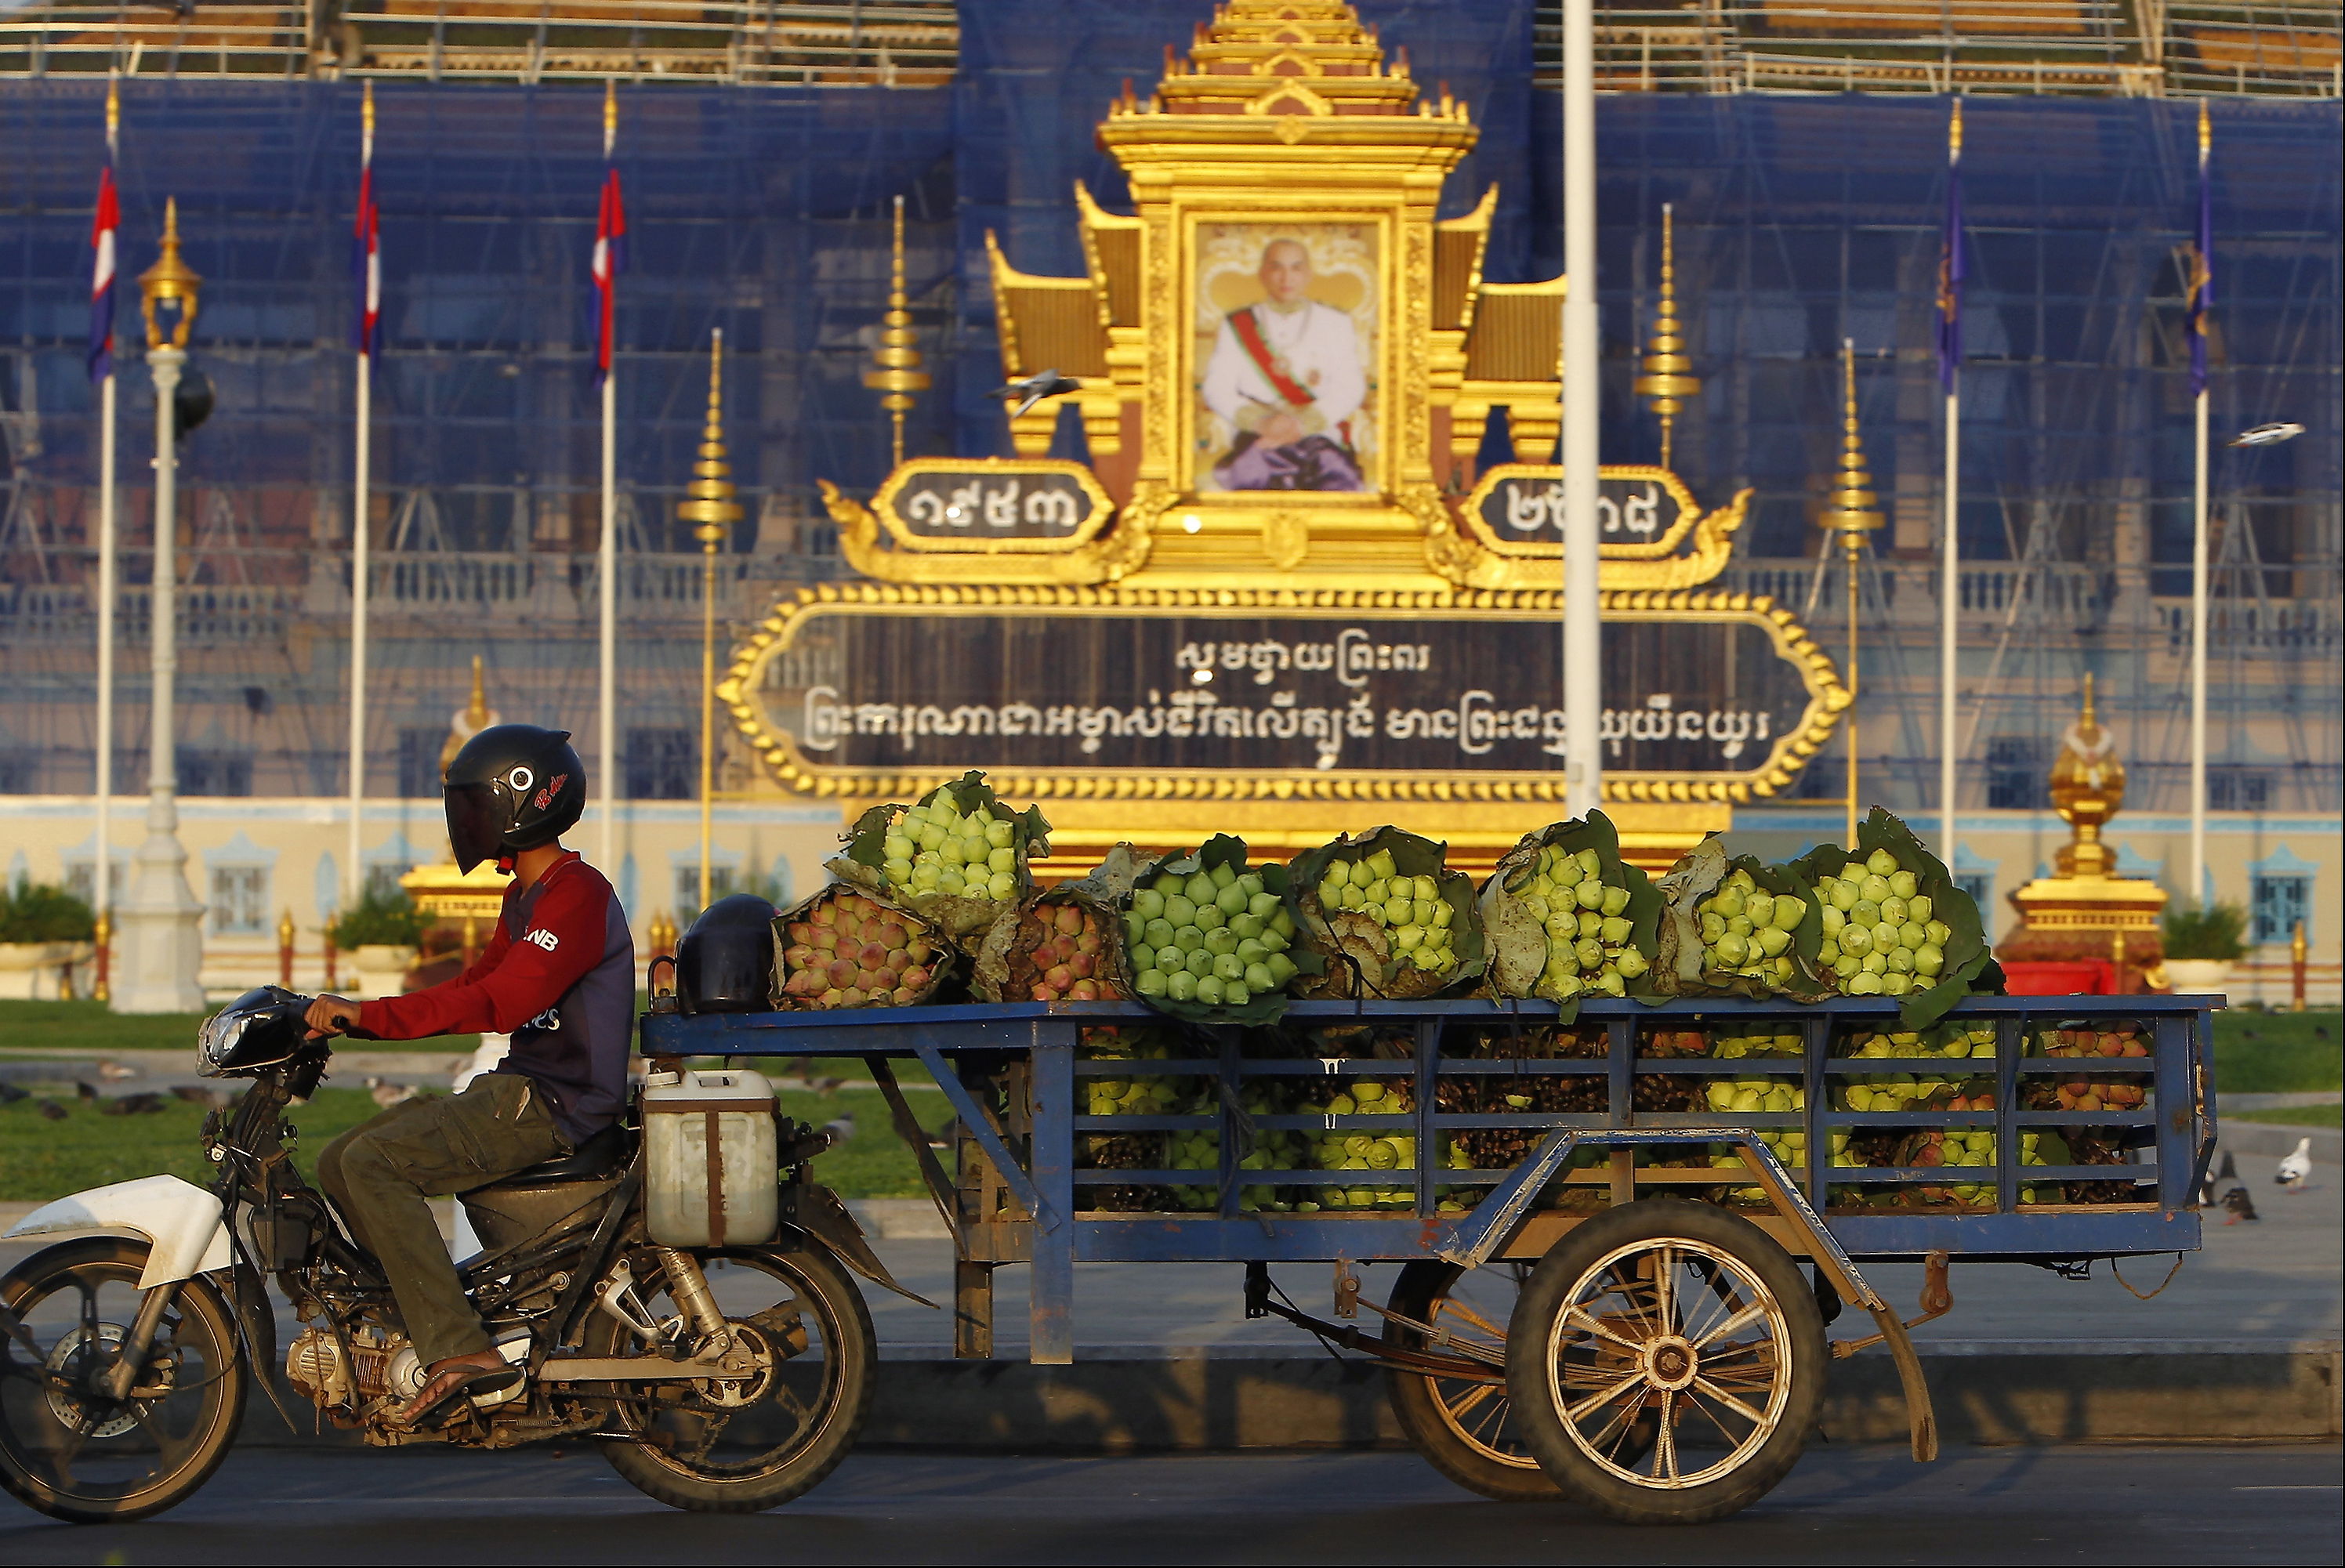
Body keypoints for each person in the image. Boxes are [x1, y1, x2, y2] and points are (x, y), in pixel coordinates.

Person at [305, 724, 634, 1427]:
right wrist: (352, 1014)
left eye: (476, 807)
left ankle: (460, 1350)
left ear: (523, 805)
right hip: (516, 1089)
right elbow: (478, 981)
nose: (466, 824)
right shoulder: (527, 896)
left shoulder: (575, 893)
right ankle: (413, 1318)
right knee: (337, 1159)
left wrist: (366, 1015)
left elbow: (501, 1000)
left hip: (554, 1103)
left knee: (372, 1162)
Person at [1200, 237, 1368, 492]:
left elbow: (1350, 386)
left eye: (1296, 268)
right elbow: (1217, 387)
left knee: (1338, 480)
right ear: (1263, 274)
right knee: (1249, 476)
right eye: (1277, 268)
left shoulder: (1336, 323)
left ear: (1309, 275)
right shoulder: (1237, 324)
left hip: (1317, 436)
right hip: (1259, 437)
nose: (1286, 278)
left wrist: (1303, 424)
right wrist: (1262, 423)